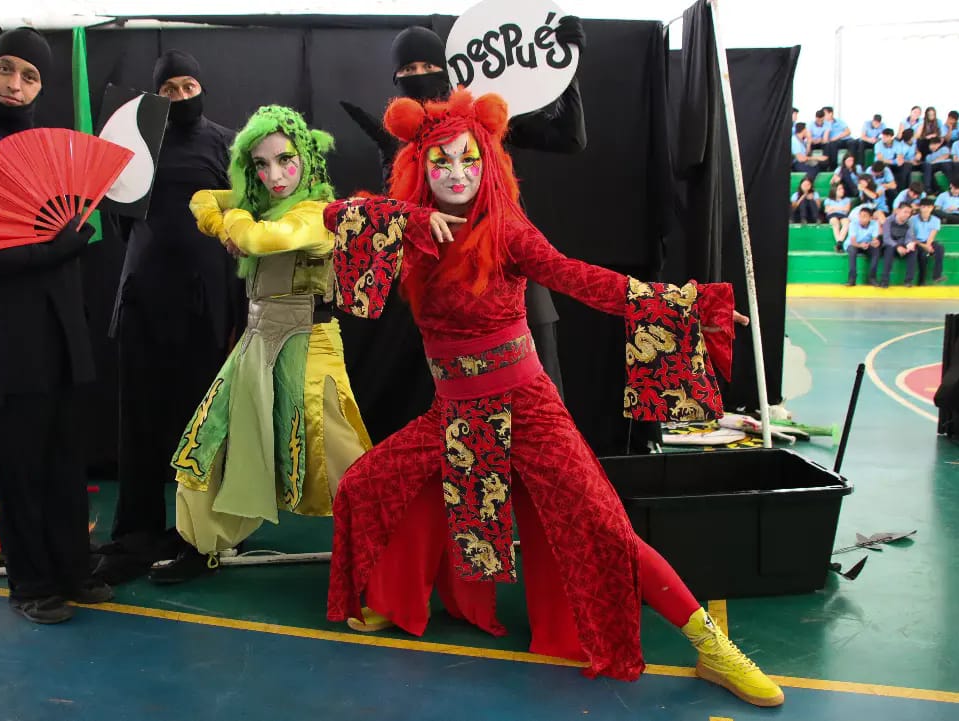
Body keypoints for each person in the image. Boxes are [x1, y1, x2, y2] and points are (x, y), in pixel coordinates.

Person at [322, 88, 783, 708]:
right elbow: (335, 214)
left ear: (488, 163)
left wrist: (686, 306)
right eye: (440, 163)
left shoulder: (507, 228)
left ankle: (711, 647)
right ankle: (392, 598)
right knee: (366, 484)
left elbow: (581, 279)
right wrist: (405, 218)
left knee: (604, 528)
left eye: (468, 160)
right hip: (456, 414)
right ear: (419, 168)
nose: (456, 175)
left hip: (527, 406)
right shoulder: (413, 230)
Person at [148, 105, 371, 583]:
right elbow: (204, 198)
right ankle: (204, 544)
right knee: (211, 440)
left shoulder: (319, 211)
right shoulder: (261, 202)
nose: (274, 174)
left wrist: (237, 227)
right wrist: (232, 221)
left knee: (338, 457)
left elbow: (266, 240)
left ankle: (385, 553)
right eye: (260, 165)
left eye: (285, 160)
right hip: (255, 342)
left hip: (309, 348)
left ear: (306, 157)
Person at [0, 28, 111, 623]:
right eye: (7, 70)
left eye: (30, 76)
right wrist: (53, 251)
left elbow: (76, 224)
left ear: (43, 83)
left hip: (62, 323)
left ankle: (73, 569)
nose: (16, 85)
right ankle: (31, 583)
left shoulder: (50, 145)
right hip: (9, 332)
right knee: (18, 459)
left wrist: (77, 238)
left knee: (66, 453)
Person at [340, 20, 587, 409]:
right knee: (468, 404)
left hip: (510, 270)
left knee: (542, 393)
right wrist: (395, 159)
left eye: (427, 66)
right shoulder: (405, 138)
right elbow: (398, 218)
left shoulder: (485, 117)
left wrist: (565, 69)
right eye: (407, 71)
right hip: (452, 291)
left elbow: (569, 138)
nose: (419, 77)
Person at [93, 50, 243, 585]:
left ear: (201, 87)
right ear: (157, 96)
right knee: (139, 420)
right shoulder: (133, 143)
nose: (180, 97)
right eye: (170, 90)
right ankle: (135, 534)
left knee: (199, 425)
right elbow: (118, 219)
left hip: (205, 303)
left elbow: (242, 223)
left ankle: (197, 538)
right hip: (143, 298)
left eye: (187, 86)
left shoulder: (227, 142)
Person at [881, 202, 918, 288]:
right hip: (890, 245)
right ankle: (884, 280)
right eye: (905, 212)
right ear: (898, 211)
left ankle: (908, 280)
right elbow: (886, 238)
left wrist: (909, 244)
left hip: (902, 245)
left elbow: (909, 237)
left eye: (909, 213)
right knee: (889, 250)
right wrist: (897, 246)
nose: (907, 215)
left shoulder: (909, 223)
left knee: (914, 251)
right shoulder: (888, 221)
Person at [912, 198, 947, 285]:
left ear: (932, 208)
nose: (926, 209)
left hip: (928, 241)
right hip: (917, 242)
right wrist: (925, 247)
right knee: (923, 255)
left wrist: (928, 245)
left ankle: (937, 275)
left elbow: (932, 235)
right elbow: (911, 237)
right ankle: (921, 280)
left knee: (940, 248)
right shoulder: (912, 220)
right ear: (920, 208)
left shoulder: (936, 220)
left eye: (928, 207)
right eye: (923, 207)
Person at [844, 206, 882, 286]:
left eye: (864, 216)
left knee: (876, 250)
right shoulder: (853, 224)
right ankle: (852, 279)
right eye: (860, 216)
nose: (861, 218)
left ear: (870, 218)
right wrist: (860, 245)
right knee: (852, 250)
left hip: (866, 244)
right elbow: (853, 241)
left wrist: (875, 242)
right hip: (854, 244)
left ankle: (872, 278)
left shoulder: (874, 224)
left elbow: (874, 239)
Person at [824, 183, 852, 251]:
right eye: (839, 189)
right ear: (834, 190)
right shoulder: (828, 200)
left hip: (843, 215)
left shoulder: (847, 200)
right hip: (832, 215)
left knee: (846, 223)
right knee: (835, 223)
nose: (842, 190)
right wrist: (841, 208)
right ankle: (839, 242)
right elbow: (827, 210)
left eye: (842, 188)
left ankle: (839, 243)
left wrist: (833, 208)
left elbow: (847, 209)